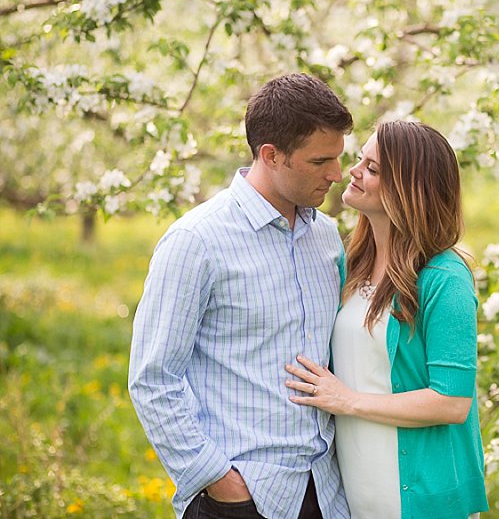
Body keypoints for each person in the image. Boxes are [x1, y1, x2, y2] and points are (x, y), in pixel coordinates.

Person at [128, 73, 353, 519]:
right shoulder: (196, 241)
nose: (336, 174)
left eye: (338, 157)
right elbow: (153, 378)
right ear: (271, 155)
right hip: (242, 498)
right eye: (320, 161)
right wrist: (217, 480)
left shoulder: (327, 237)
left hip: (327, 494)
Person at [285, 120, 489, 519]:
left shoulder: (444, 278)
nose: (353, 171)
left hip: (422, 499)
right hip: (356, 495)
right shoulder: (350, 264)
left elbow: (451, 402)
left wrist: (348, 401)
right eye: (361, 159)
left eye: (373, 168)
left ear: (409, 190)